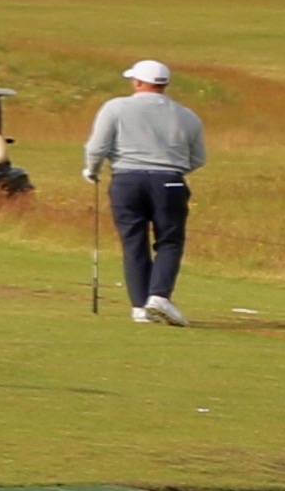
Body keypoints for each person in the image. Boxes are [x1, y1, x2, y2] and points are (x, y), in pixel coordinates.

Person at [82, 56, 205, 324]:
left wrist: (92, 170)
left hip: (126, 181)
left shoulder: (115, 107)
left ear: (138, 82)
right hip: (171, 182)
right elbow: (198, 159)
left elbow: (97, 147)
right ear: (165, 84)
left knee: (134, 242)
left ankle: (140, 306)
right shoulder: (187, 116)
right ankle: (158, 296)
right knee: (169, 241)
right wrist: (171, 170)